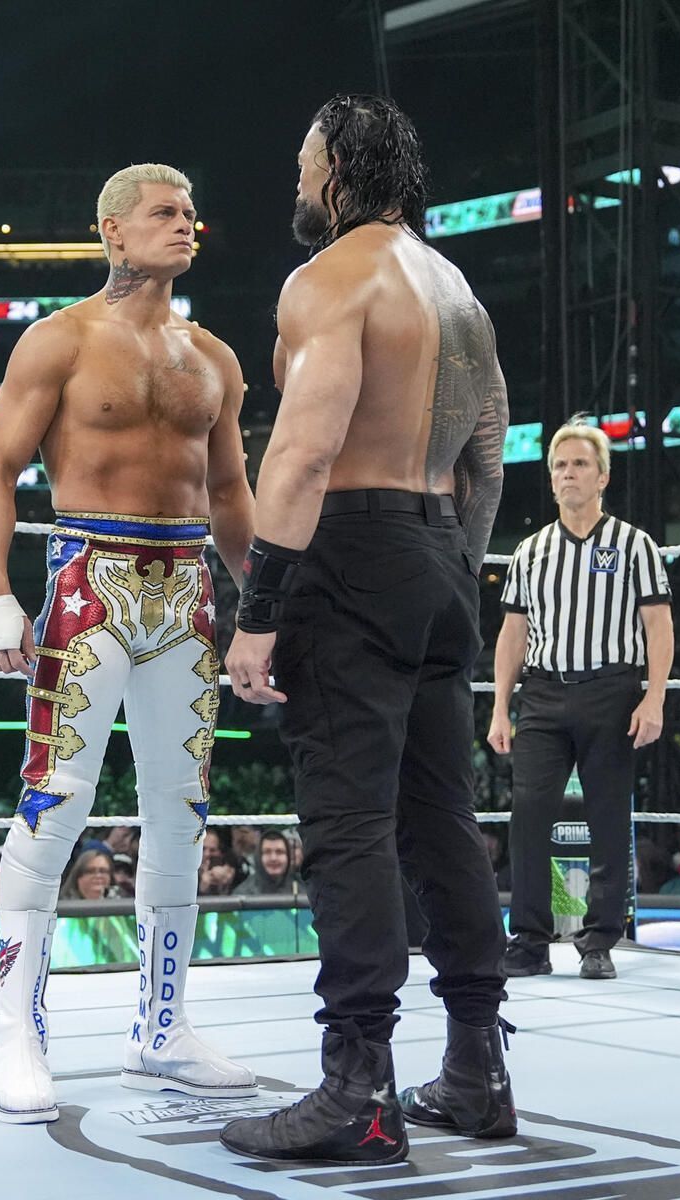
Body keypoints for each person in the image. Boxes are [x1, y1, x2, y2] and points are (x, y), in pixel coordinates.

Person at [220, 95, 513, 1165]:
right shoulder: (455, 285)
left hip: (349, 546)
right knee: (440, 815)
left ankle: (358, 1088)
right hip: (438, 547)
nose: (297, 184)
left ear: (339, 170)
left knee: (347, 820)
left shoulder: (328, 281)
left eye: (305, 164)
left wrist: (259, 613)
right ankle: (479, 1070)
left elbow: (298, 454)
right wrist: (456, 569)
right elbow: (491, 444)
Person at [0, 162, 258, 1125]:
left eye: (190, 213)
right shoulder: (59, 339)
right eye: (165, 214)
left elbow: (229, 498)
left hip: (187, 590)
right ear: (112, 231)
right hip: (85, 574)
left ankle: (162, 1031)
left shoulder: (215, 356)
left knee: (182, 810)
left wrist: (266, 605)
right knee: (56, 801)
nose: (186, 226)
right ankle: (20, 1029)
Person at [489, 416, 674, 981]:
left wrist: (654, 697)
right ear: (551, 480)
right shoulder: (530, 550)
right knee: (528, 818)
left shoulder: (634, 545)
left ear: (602, 477)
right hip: (542, 693)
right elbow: (513, 634)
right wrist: (500, 706)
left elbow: (659, 628)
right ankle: (529, 940)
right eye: (560, 466)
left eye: (580, 465)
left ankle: (599, 941)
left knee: (609, 817)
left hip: (611, 690)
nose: (569, 474)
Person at [233, 829, 300, 897]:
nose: (273, 858)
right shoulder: (242, 894)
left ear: (288, 856)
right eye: (267, 852)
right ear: (259, 857)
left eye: (279, 852)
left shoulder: (304, 888)